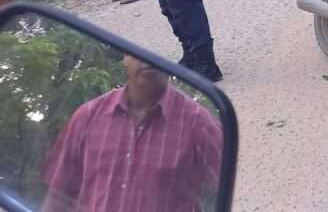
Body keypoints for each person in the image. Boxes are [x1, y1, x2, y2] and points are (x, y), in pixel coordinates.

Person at [41, 55, 223, 212]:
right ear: (125, 56)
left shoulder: (198, 124)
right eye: (139, 51)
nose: (146, 61)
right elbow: (58, 196)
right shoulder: (88, 116)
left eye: (154, 52)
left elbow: (228, 185)